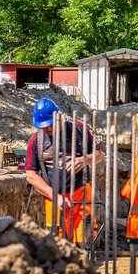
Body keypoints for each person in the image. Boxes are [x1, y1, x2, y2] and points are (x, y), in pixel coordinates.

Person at [24, 97, 104, 242]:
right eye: (43, 126)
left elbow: (99, 155)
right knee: (57, 244)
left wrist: (84, 160)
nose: (47, 129)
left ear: (59, 116)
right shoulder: (36, 141)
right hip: (53, 198)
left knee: (83, 242)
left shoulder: (79, 130)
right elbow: (31, 176)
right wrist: (54, 196)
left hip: (80, 194)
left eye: (50, 124)